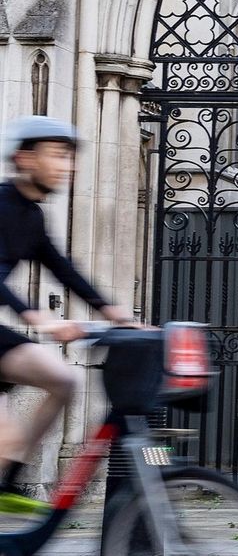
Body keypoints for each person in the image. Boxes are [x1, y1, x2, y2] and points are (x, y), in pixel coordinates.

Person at [0, 116, 134, 501]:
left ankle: (9, 483)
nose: (68, 166)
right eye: (58, 155)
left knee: (62, 379)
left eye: (70, 157)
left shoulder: (31, 216)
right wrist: (37, 318)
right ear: (25, 158)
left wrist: (115, 313)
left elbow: (62, 268)